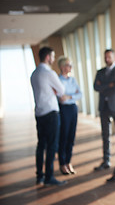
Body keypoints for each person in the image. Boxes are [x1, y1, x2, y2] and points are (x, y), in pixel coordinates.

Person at [30, 46, 67, 186]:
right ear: (47, 57)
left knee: (41, 145)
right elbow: (61, 90)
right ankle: (49, 177)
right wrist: (55, 90)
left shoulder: (34, 73)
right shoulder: (49, 73)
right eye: (52, 56)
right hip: (51, 113)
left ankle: (40, 176)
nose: (53, 58)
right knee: (52, 146)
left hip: (39, 113)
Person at [94, 49, 115, 171]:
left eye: (109, 57)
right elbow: (95, 87)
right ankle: (106, 160)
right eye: (105, 57)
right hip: (104, 107)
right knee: (105, 135)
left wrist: (103, 85)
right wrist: (109, 85)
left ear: (114, 56)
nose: (107, 59)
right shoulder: (100, 71)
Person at [57, 57, 82, 175]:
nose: (70, 67)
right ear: (62, 66)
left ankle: (68, 162)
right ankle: (62, 163)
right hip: (64, 110)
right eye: (68, 65)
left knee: (71, 136)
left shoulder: (72, 80)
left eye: (71, 65)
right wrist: (72, 95)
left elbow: (80, 94)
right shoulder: (58, 80)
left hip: (73, 108)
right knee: (64, 136)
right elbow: (62, 99)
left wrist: (70, 96)